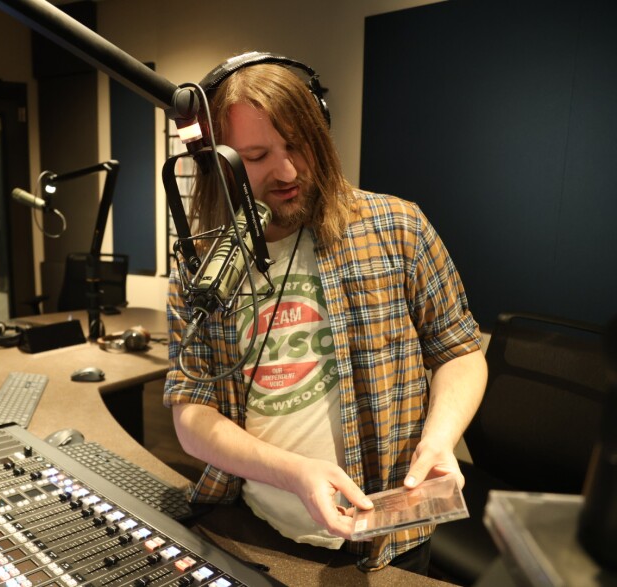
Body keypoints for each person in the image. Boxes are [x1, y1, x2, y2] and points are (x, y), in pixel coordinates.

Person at [164, 54, 488, 573]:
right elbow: (192, 415)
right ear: (216, 163)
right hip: (259, 529)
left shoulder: (399, 227)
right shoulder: (200, 267)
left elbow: (460, 351)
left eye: (298, 145)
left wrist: (440, 439)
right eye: (257, 156)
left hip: (390, 538)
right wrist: (293, 473)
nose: (287, 171)